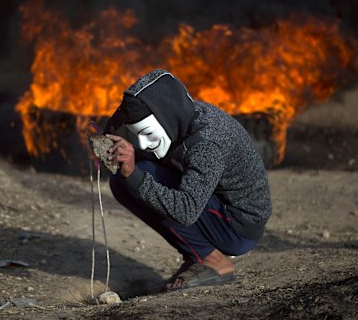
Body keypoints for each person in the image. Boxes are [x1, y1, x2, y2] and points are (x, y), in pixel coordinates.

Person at [104, 69, 271, 291]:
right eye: (139, 135)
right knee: (126, 178)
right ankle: (198, 254)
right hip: (215, 206)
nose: (144, 143)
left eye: (148, 134)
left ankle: (212, 261)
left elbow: (186, 211)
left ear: (166, 116)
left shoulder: (207, 144)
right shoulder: (181, 116)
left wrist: (133, 175)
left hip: (237, 227)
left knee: (135, 179)